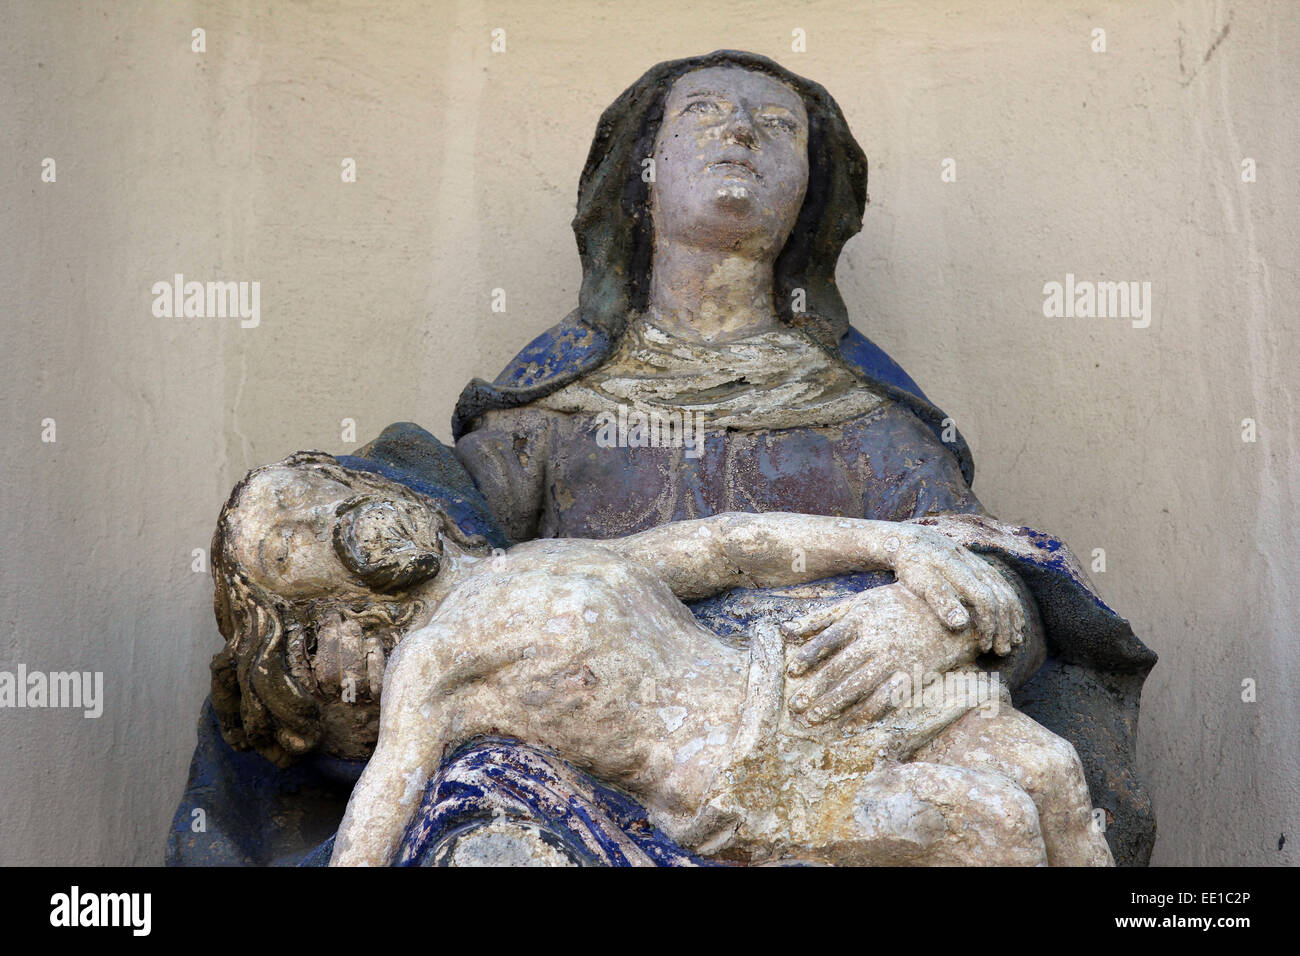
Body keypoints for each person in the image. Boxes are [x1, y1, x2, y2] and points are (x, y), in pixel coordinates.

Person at [210, 451, 1110, 866]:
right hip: (751, 777)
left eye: (318, 493)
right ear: (314, 618)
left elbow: (728, 548)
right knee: (990, 825)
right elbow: (384, 797)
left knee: (1053, 771)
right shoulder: (434, 660)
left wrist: (894, 546)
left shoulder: (537, 560)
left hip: (798, 686)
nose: (323, 523)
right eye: (289, 550)